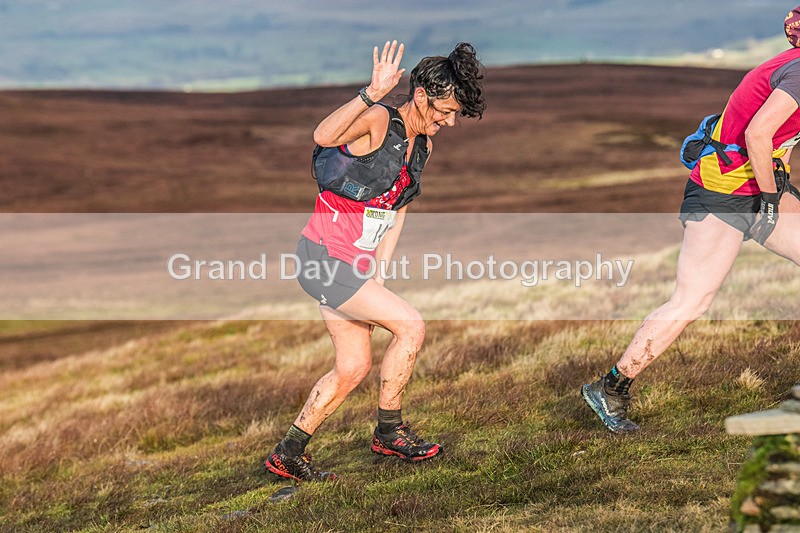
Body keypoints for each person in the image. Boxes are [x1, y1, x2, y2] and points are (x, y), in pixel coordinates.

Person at [265, 40, 486, 480]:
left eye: (455, 114)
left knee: (352, 367)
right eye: (445, 110)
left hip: (354, 266)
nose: (449, 121)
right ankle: (389, 432)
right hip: (323, 259)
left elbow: (397, 209)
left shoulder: (422, 146)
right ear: (421, 96)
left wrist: (379, 273)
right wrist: (371, 93)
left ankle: (288, 452)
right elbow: (323, 136)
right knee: (411, 326)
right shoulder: (379, 120)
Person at [581, 7, 800, 434]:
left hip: (755, 185)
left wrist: (778, 187)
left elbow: (784, 138)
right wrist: (772, 200)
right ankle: (610, 388)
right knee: (692, 300)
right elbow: (757, 134)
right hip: (723, 193)